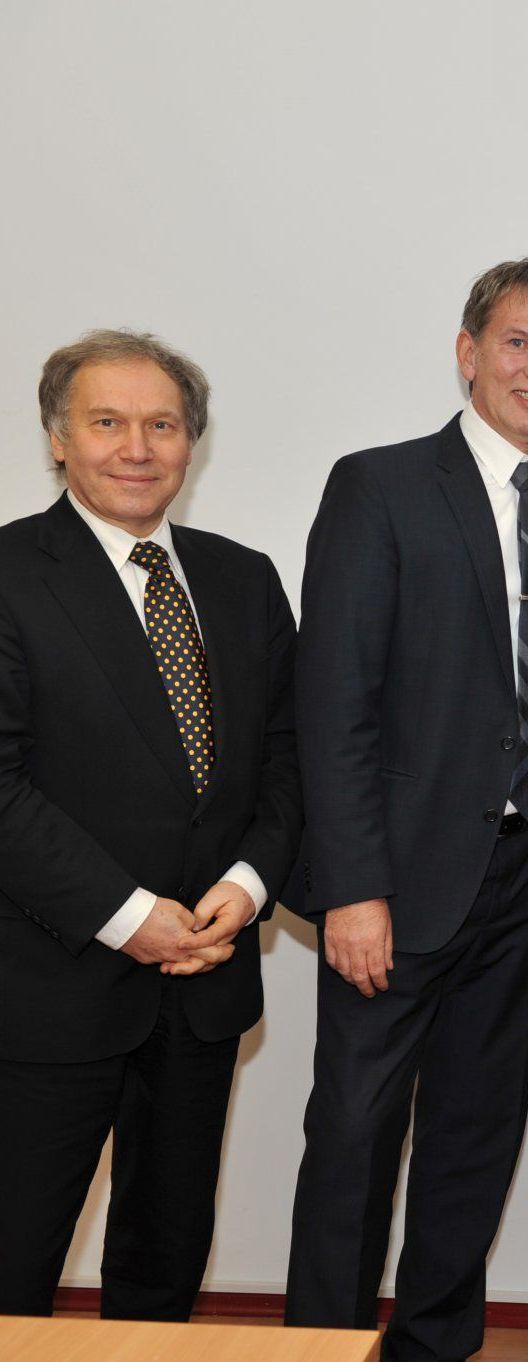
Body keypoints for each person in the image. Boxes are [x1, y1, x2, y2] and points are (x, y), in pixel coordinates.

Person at [285, 258, 528, 1362]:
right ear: (468, 352)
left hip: (527, 876)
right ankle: (322, 1346)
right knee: (353, 1136)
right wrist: (353, 888)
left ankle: (434, 1344)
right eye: (518, 342)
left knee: (476, 1134)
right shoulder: (379, 486)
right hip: (396, 880)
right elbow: (333, 706)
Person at [0, 330, 301, 1319]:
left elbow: (289, 760)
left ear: (192, 443)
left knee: (163, 1269)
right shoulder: (9, 574)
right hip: (50, 990)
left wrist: (248, 887)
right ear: (57, 439)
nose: (137, 446)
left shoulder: (244, 579)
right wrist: (130, 915)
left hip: (204, 989)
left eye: (162, 424)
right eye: (107, 421)